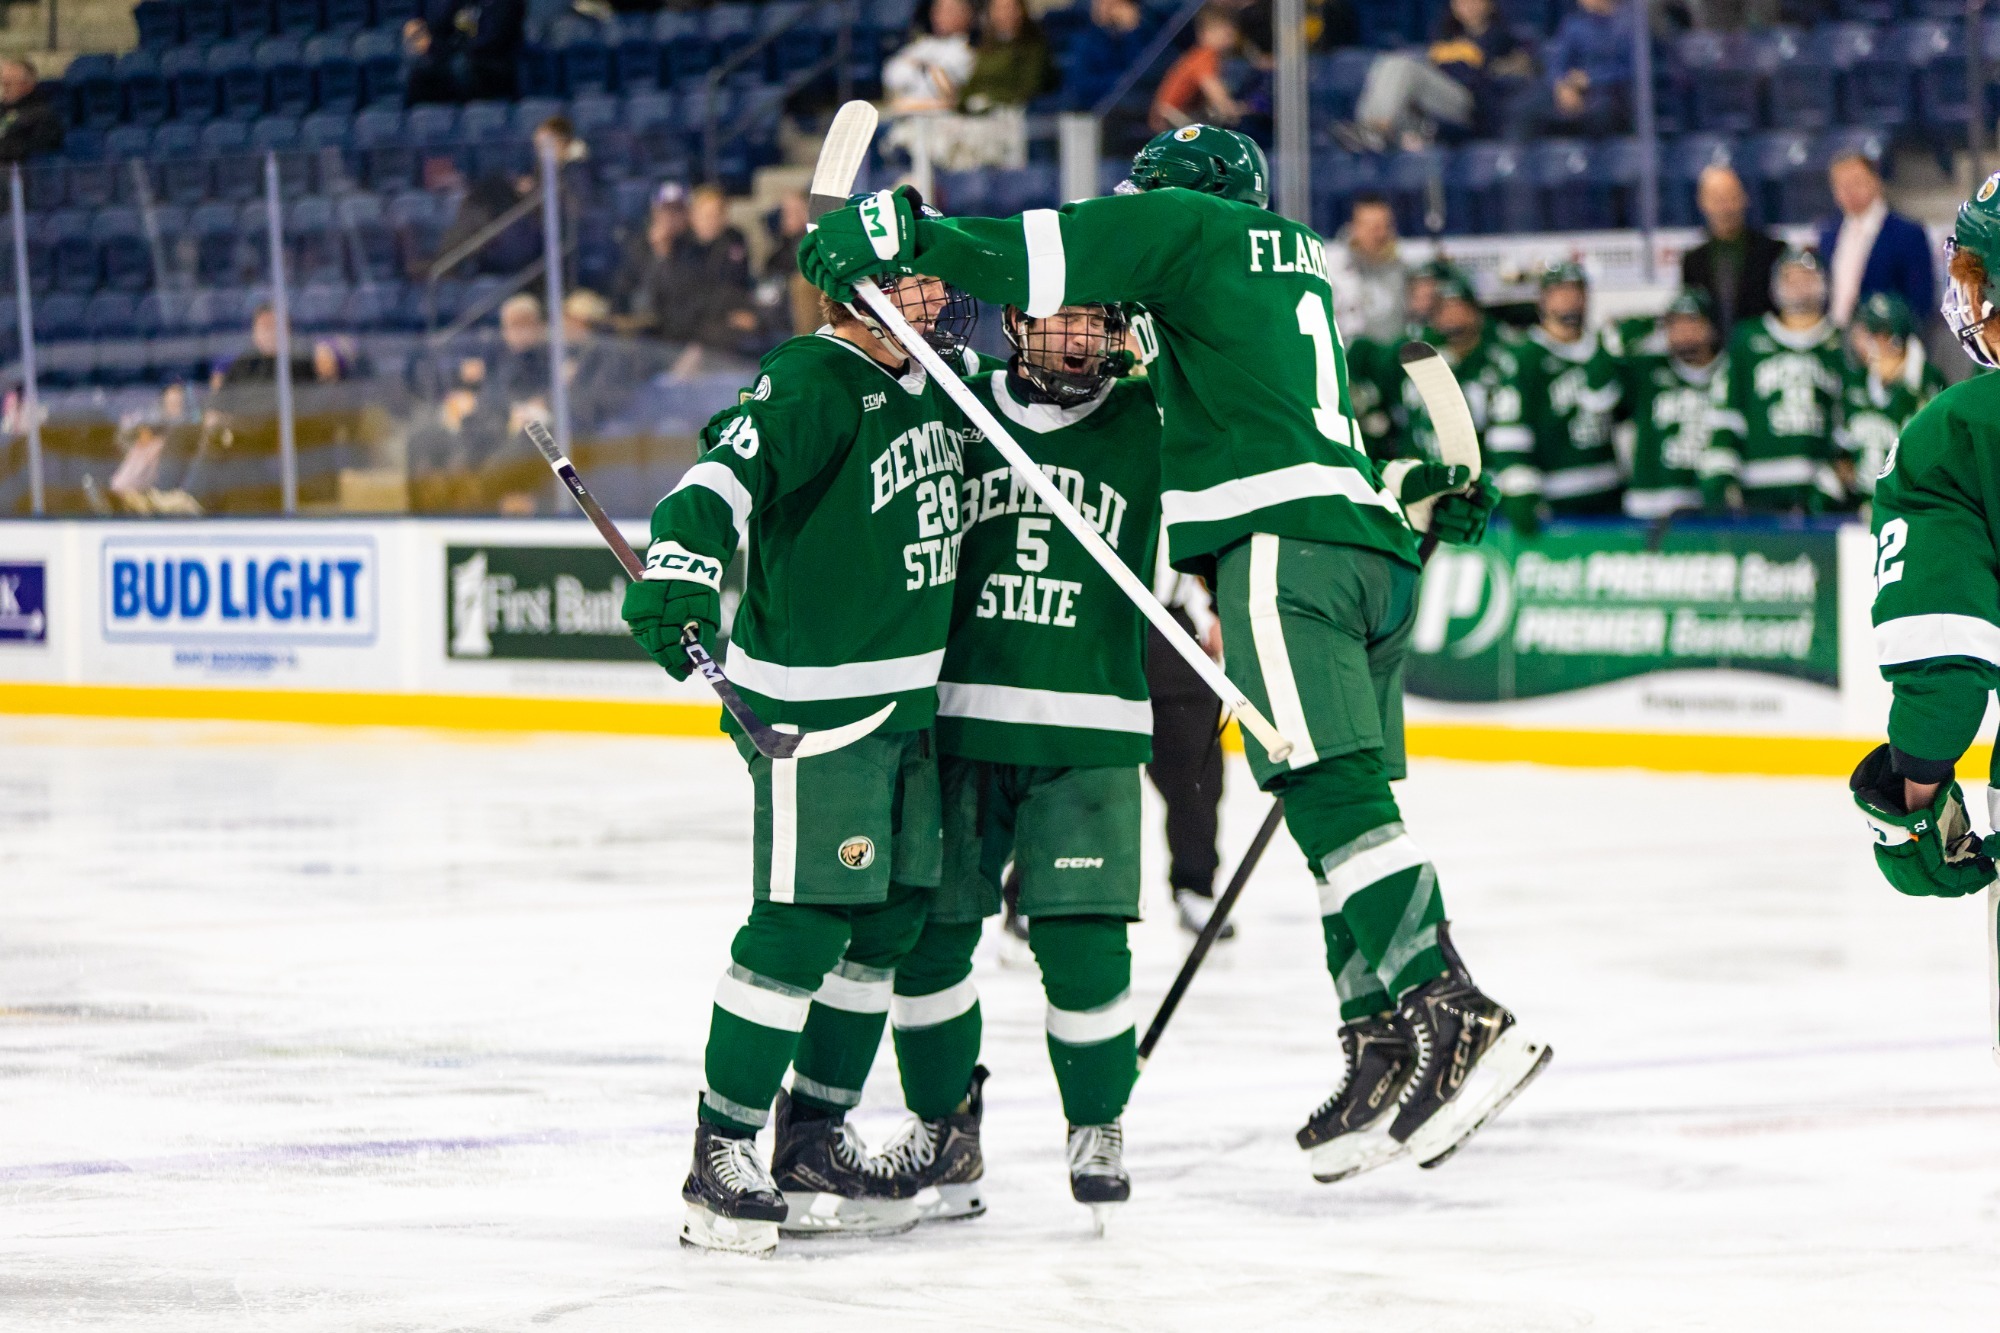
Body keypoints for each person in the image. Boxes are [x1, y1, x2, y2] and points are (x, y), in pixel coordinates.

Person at [800, 126, 1547, 1188]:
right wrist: (1412, 487)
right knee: (1341, 800)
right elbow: (1251, 409)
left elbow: (1028, 258)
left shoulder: (1186, 224)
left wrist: (896, 230)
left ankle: (1448, 1007)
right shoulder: (1284, 263)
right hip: (1360, 546)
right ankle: (1381, 1038)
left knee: (1327, 794)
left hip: (1280, 550)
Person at [622, 258, 980, 1255]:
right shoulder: (805, 378)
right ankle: (720, 1149)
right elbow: (719, 478)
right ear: (859, 300)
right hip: (817, 718)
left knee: (888, 923)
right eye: (913, 286)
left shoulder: (932, 381)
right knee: (801, 922)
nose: (937, 299)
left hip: (905, 708)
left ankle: (813, 1138)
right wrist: (684, 570)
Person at [880, 301, 1163, 1223]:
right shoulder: (955, 406)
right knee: (929, 944)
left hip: (1088, 731)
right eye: (1064, 321)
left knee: (1084, 949)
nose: (1084, 340)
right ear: (1015, 322)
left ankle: (1098, 1122)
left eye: (1101, 323)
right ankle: (943, 1125)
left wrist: (1398, 498)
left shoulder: (1152, 417)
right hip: (958, 724)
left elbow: (1276, 452)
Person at [1847, 173, 2000, 936]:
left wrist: (1917, 814)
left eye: (1979, 278)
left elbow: (1942, 656)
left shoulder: (1957, 432)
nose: (1969, 300)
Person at [1700, 248, 1846, 514]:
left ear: (1824, 284)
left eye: (1807, 277)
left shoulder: (1841, 343)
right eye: (1791, 278)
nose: (1799, 285)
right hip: (1758, 492)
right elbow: (1726, 413)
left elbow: (1850, 420)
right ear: (1776, 286)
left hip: (1822, 494)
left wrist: (1835, 479)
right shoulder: (1747, 340)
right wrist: (1721, 480)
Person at [1485, 261, 1625, 533]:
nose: (1569, 300)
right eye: (1560, 293)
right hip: (1556, 501)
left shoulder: (1603, 349)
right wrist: (1520, 488)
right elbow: (1508, 431)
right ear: (1543, 300)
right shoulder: (1524, 358)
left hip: (1609, 495)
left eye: (1576, 292)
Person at [1335, 0, 1533, 151]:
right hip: (1435, 103)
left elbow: (1525, 66)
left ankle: (1376, 131)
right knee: (1385, 63)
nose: (1467, 5)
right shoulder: (1444, 33)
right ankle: (1369, 131)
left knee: (1404, 67)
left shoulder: (1501, 36)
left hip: (1467, 104)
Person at [1618, 287, 1724, 520]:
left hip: (1709, 505)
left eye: (1693, 323)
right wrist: (1649, 323)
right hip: (1650, 505)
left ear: (1711, 328)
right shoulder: (1647, 370)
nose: (1684, 332)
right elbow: (1613, 351)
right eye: (1675, 324)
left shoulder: (1730, 373)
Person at [1835, 291, 1945, 507]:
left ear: (1893, 339)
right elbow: (1842, 456)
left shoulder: (1927, 385)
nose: (1860, 340)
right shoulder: (1855, 383)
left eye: (1872, 333)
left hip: (1911, 509)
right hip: (1863, 506)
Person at [1818, 151, 1937, 330]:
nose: (1849, 191)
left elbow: (1920, 301)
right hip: (1834, 339)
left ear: (1875, 181)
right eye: (1841, 185)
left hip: (1885, 339)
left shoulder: (1907, 234)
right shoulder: (1828, 235)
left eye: (1856, 182)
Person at [1679, 164, 1787, 335]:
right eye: (1716, 199)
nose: (1725, 207)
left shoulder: (1774, 251)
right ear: (1702, 202)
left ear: (1745, 198)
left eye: (1731, 197)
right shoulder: (1693, 260)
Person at [658, 184, 759, 366]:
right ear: (693, 216)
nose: (714, 220)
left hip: (725, 317)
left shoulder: (734, 240)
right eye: (707, 215)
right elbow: (683, 294)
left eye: (719, 214)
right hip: (689, 319)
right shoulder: (680, 245)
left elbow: (735, 286)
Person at [1507, 0, 1632, 140]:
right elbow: (1556, 63)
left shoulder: (1628, 23)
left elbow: (1631, 68)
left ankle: (1600, 159)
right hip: (1572, 88)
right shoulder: (1574, 24)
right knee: (1524, 106)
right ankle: (1513, 160)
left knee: (1602, 111)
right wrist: (1561, 87)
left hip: (1610, 91)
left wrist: (1591, 79)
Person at [403, 0, 526, 103]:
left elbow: (494, 38)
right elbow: (443, 26)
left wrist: (442, 48)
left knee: (460, 66)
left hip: (495, 64)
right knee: (420, 72)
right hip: (458, 58)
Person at [609, 183, 689, 337]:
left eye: (676, 211)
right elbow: (624, 288)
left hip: (679, 328)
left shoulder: (691, 247)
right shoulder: (638, 245)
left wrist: (665, 255)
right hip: (641, 326)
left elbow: (682, 294)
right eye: (665, 211)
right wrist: (657, 255)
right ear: (655, 212)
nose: (670, 218)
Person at [1328, 194, 1408, 346]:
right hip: (1350, 360)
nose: (1378, 234)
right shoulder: (1333, 272)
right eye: (1370, 226)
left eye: (1384, 226)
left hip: (1391, 358)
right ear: (1353, 228)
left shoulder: (1404, 271)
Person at [1150, 6, 1246, 132]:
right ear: (1205, 33)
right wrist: (1235, 109)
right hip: (1169, 118)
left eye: (1232, 34)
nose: (1231, 40)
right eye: (1225, 34)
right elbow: (1214, 92)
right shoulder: (1204, 55)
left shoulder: (1204, 55)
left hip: (1181, 114)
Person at [883, 0, 976, 112]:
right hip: (907, 114)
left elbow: (941, 87)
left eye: (949, 10)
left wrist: (916, 64)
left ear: (967, 14)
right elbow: (891, 74)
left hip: (944, 118)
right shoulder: (924, 44)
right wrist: (926, 68)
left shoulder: (967, 50)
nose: (940, 15)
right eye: (938, 10)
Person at [960, 0, 1053, 112]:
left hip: (1014, 111)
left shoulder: (1034, 47)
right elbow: (973, 84)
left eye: (1009, 7)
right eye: (999, 8)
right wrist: (962, 102)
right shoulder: (986, 46)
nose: (1005, 13)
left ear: (1021, 11)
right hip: (978, 111)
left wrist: (990, 100)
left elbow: (1030, 88)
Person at [1061, 0, 1152, 109]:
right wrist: (1122, 80)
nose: (1109, 8)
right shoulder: (1084, 40)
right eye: (1103, 2)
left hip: (1134, 106)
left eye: (1116, 5)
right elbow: (1081, 86)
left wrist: (1132, 31)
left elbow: (1144, 73)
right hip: (1096, 108)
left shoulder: (1139, 35)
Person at [0, 58, 63, 162]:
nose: (5, 89)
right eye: (3, 83)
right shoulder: (3, 109)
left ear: (27, 85)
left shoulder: (42, 115)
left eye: (9, 84)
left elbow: (37, 149)